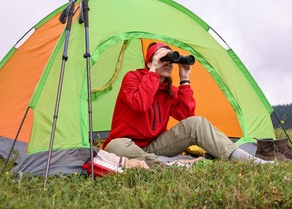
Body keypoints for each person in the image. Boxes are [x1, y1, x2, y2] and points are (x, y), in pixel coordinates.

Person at [102, 42, 273, 165]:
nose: (168, 63)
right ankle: (164, 163)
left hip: (154, 146)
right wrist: (152, 72)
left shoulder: (169, 89)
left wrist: (184, 80)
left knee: (197, 122)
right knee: (114, 146)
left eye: (170, 59)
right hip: (125, 145)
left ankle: (242, 158)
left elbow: (186, 116)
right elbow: (141, 104)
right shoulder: (132, 78)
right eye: (162, 59)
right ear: (149, 63)